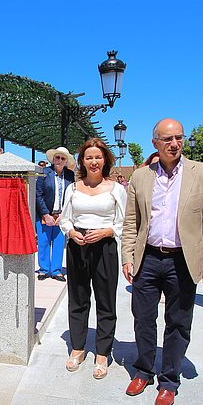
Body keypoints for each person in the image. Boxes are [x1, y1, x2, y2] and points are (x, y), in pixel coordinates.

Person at [121, 118, 203, 405]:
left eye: (179, 137)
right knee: (143, 318)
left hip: (182, 259)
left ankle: (168, 380)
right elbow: (131, 221)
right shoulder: (141, 176)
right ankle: (143, 370)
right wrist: (127, 256)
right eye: (167, 139)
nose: (174, 144)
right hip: (148, 257)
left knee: (178, 322)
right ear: (155, 143)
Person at [59, 138, 126, 378]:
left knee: (105, 301)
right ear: (82, 161)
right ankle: (77, 348)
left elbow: (124, 222)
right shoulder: (73, 188)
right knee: (78, 299)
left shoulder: (116, 189)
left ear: (105, 159)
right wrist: (71, 232)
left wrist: (107, 232)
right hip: (78, 246)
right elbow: (65, 218)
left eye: (98, 157)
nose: (94, 162)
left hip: (105, 247)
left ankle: (102, 353)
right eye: (89, 158)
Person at [35, 146, 75, 281]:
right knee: (44, 242)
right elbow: (38, 195)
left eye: (63, 158)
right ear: (53, 159)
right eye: (57, 157)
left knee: (59, 243)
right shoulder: (44, 173)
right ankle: (44, 269)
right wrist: (46, 214)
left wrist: (64, 215)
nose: (59, 160)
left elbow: (71, 196)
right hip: (45, 214)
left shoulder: (70, 175)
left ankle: (56, 270)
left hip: (61, 215)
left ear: (66, 161)